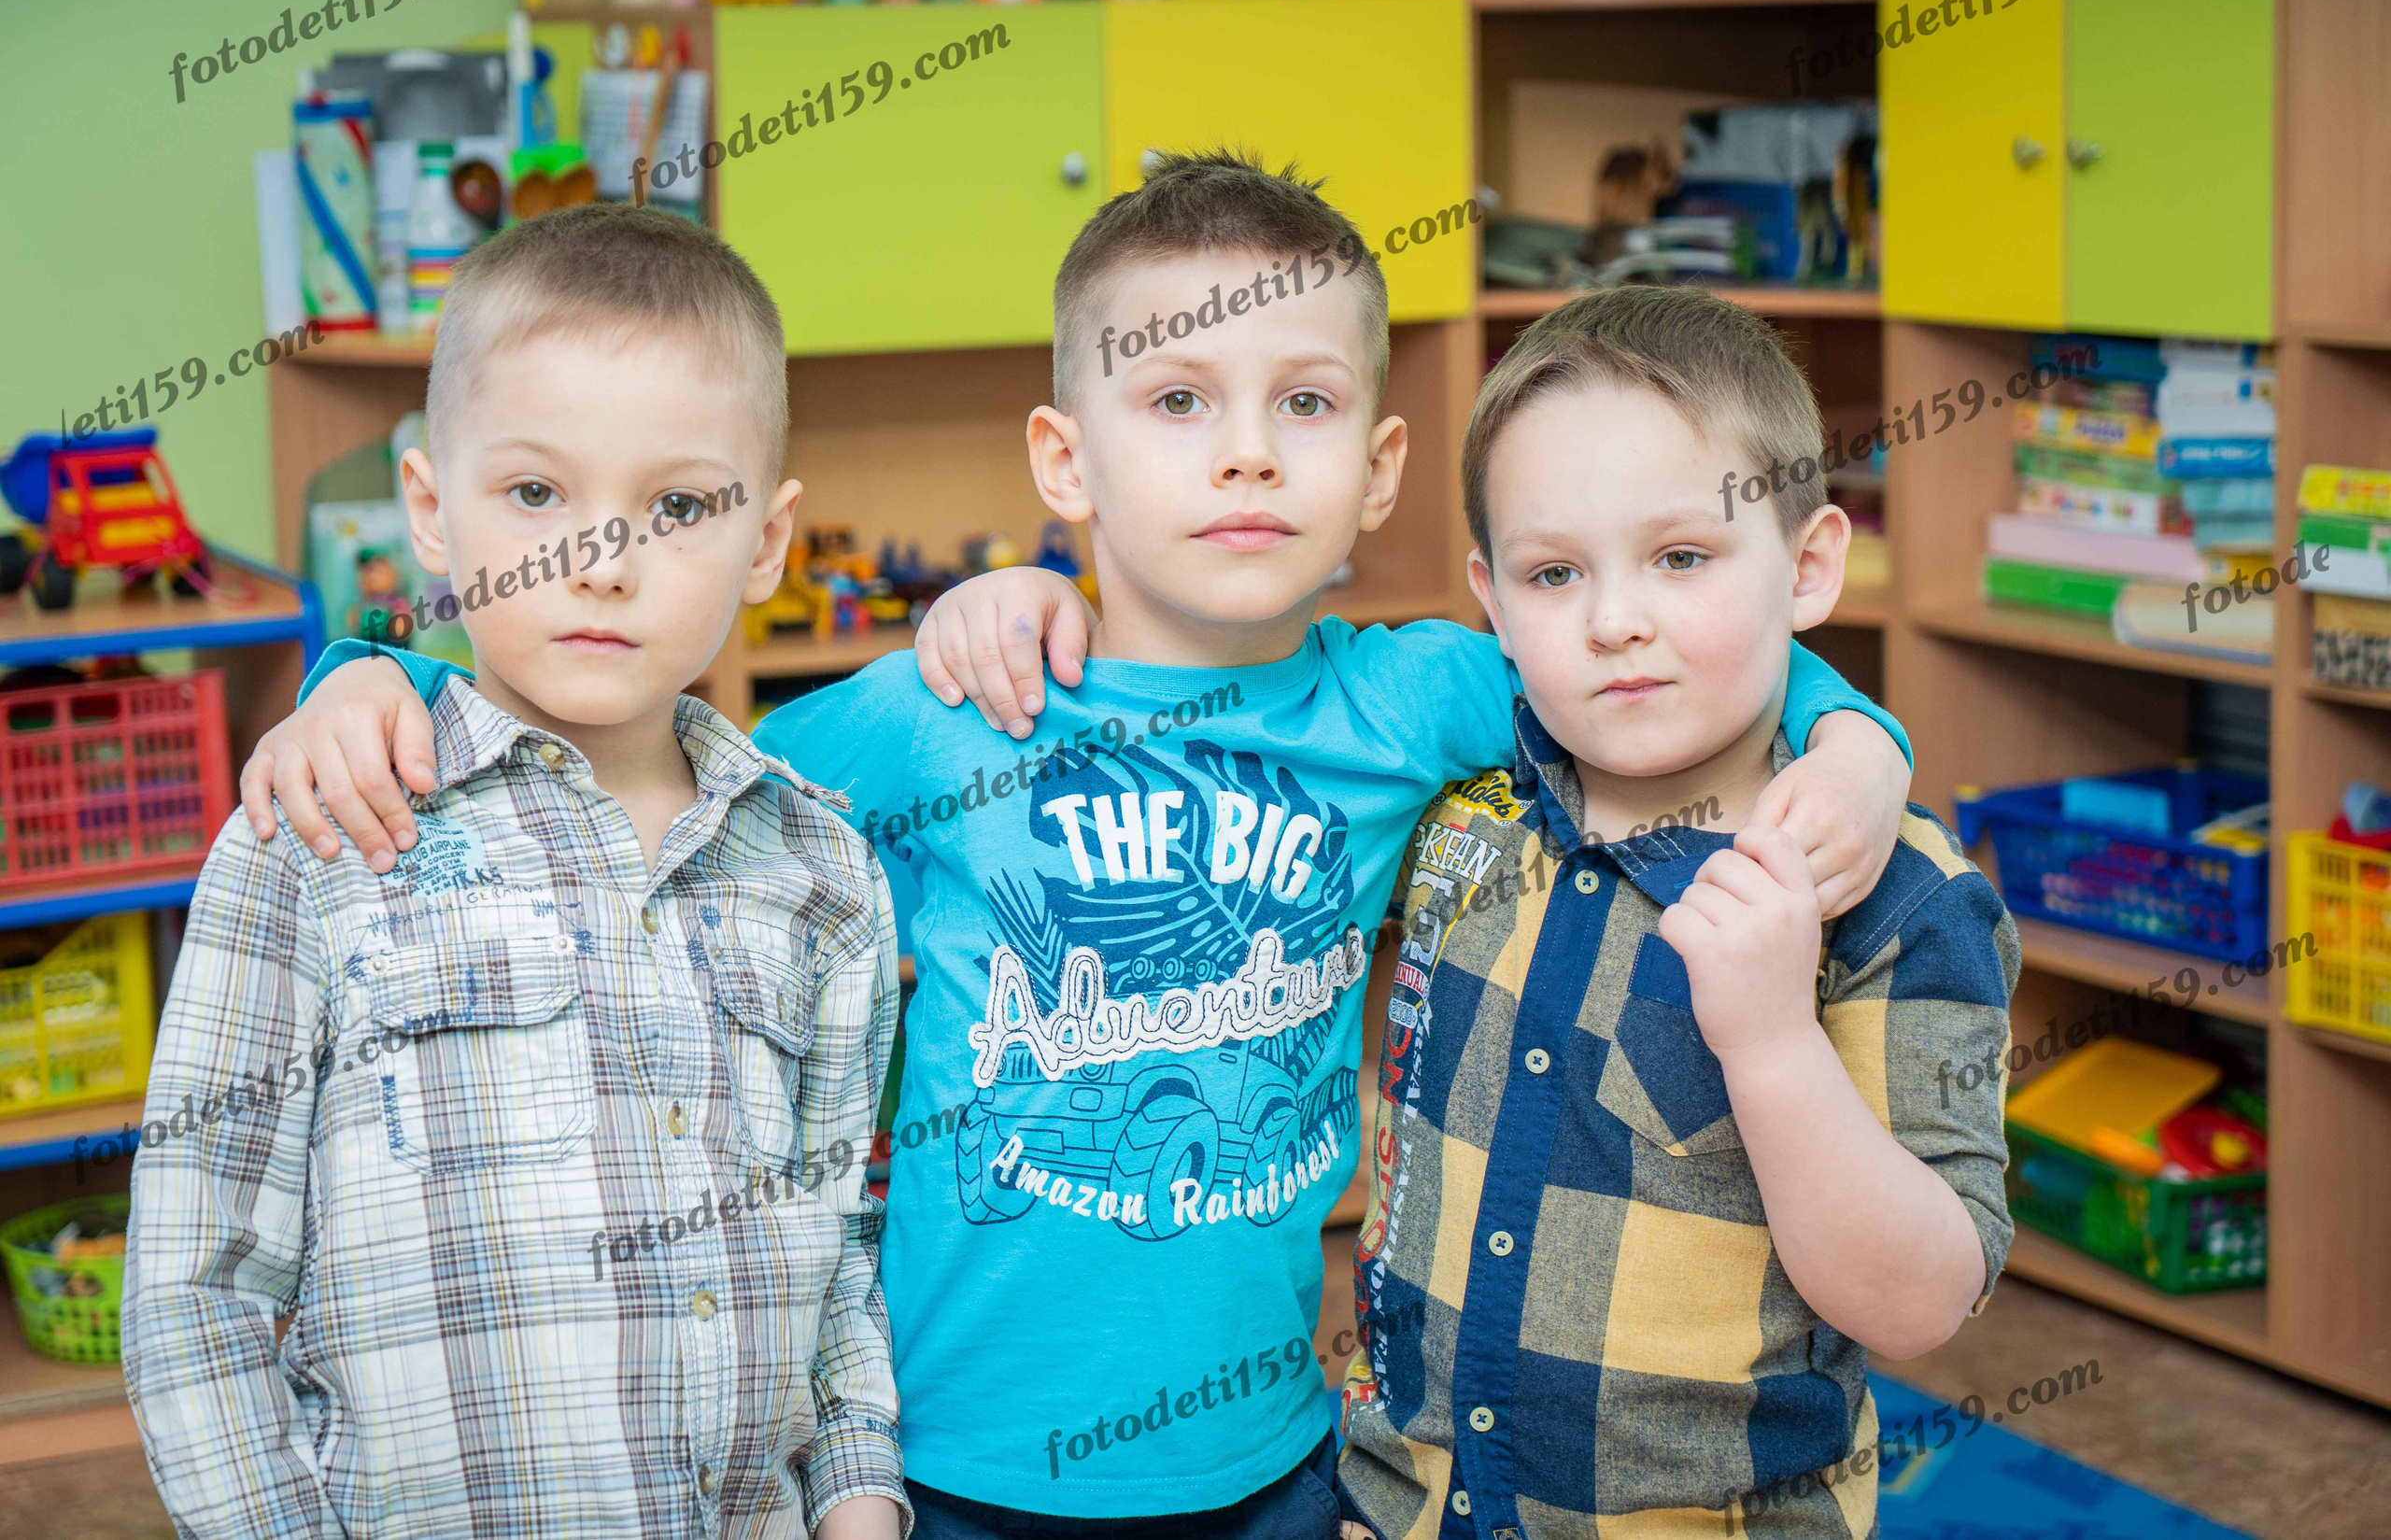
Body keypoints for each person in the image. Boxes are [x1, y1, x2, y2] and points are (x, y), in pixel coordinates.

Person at [233, 153, 1914, 1538]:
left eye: (1305, 402)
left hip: (1272, 1457)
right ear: (1066, 458)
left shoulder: (1418, 699)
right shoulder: (950, 705)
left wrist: (1859, 741)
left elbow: (1667, 648)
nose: (1247, 447)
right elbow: (636, 736)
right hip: (945, 1464)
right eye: (1176, 397)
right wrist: (372, 668)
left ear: (1383, 470)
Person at [122, 204, 908, 1540]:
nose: (600, 564)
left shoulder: (824, 874)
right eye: (537, 492)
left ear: (769, 542)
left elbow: (837, 1253)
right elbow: (198, 1292)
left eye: (675, 506)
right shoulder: (319, 829)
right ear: (431, 511)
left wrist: (858, 1498)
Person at [1334, 289, 2019, 1540]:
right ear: (1491, 598)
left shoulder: (1895, 893)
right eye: (1554, 573)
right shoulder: (1457, 805)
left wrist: (1769, 1041)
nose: (1613, 621)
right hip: (1402, 1508)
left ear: (1810, 566)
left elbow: (1924, 1301)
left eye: (1682, 557)